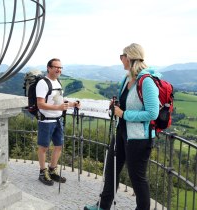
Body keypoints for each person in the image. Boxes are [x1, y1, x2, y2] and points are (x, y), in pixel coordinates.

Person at [84, 43, 159, 210]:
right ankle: (103, 206)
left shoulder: (146, 82)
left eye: (122, 56)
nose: (120, 59)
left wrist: (124, 114)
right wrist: (116, 106)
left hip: (139, 138)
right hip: (122, 132)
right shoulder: (127, 79)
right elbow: (125, 104)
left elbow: (152, 113)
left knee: (137, 178)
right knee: (111, 170)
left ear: (129, 58)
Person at [36, 58, 80, 186]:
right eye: (56, 67)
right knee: (43, 147)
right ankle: (42, 172)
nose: (59, 70)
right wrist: (58, 108)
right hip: (46, 121)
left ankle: (52, 170)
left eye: (60, 67)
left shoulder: (57, 82)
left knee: (58, 146)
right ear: (49, 68)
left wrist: (72, 104)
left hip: (57, 119)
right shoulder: (43, 83)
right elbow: (40, 104)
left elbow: (58, 100)